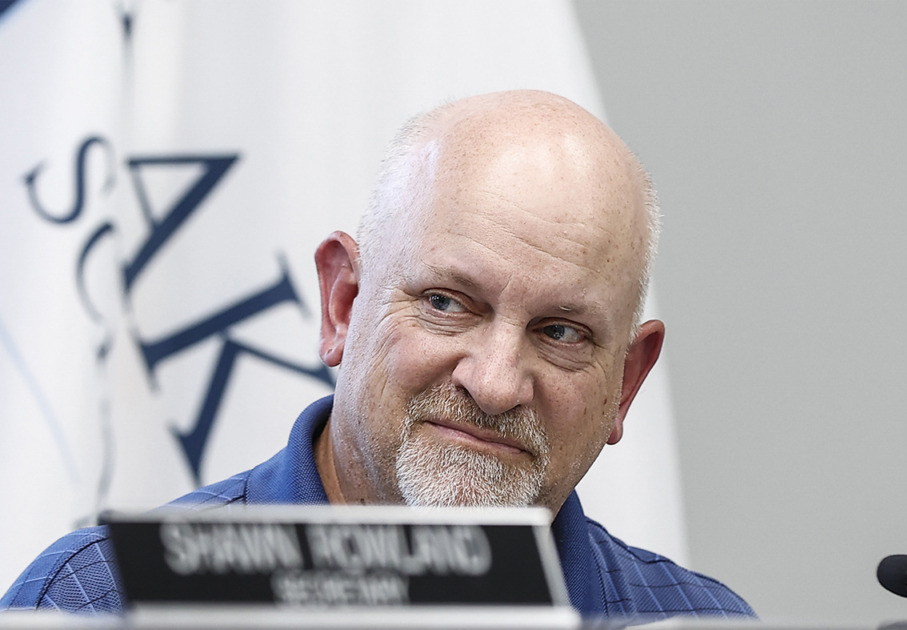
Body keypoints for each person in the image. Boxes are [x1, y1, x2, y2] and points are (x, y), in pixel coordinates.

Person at [1, 90, 754, 621]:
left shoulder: (698, 626)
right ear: (342, 304)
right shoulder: (96, 606)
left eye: (561, 333)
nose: (493, 384)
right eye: (446, 303)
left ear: (623, 384)